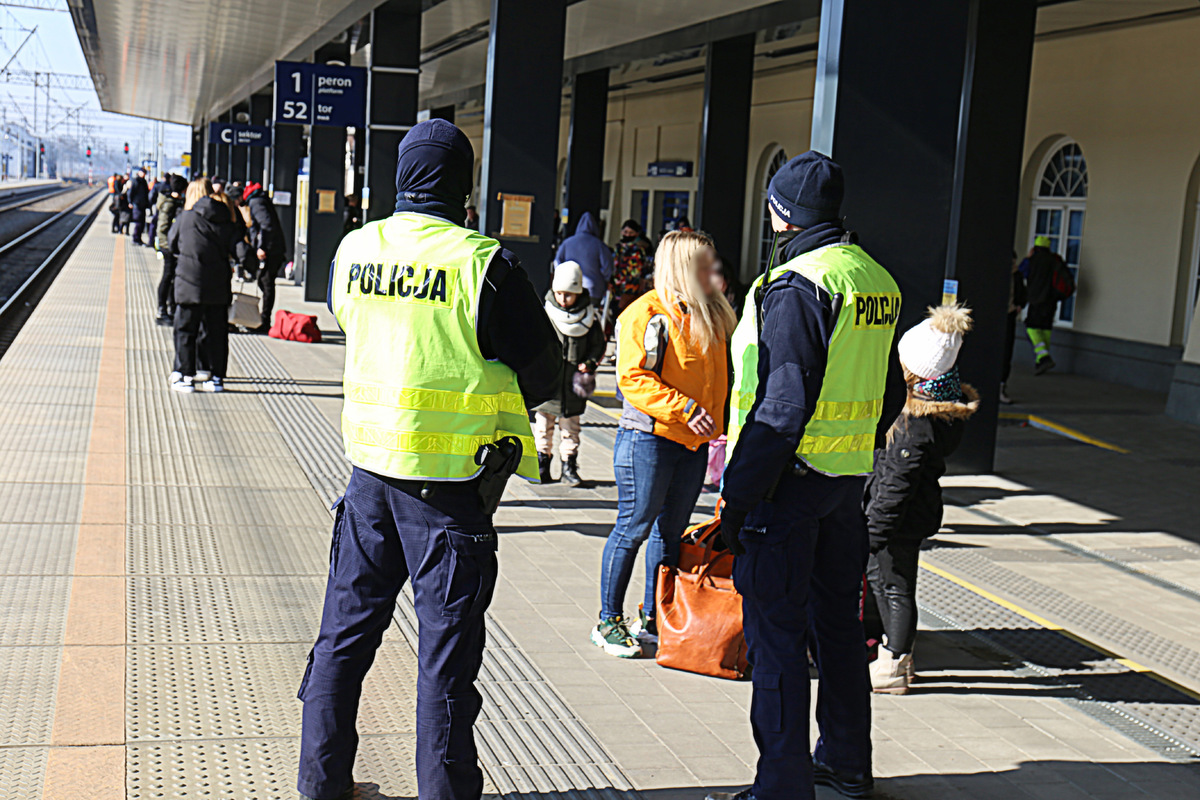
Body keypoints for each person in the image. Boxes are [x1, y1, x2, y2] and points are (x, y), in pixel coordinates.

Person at [297, 119, 561, 800]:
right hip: (449, 497)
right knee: (444, 667)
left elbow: (351, 322)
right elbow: (543, 371)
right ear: (464, 186)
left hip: (366, 481)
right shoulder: (484, 263)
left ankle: (320, 785)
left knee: (342, 644)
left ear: (401, 178)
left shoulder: (356, 250)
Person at [711, 152, 901, 800]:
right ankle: (846, 763)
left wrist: (736, 500)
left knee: (778, 642)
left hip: (784, 489)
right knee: (839, 630)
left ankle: (782, 787)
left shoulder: (796, 285)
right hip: (844, 485)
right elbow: (892, 393)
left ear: (780, 213)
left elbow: (781, 407)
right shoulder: (874, 279)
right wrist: (853, 447)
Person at [593, 230, 736, 658]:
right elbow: (632, 379)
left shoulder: (709, 312)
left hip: (690, 443)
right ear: (684, 266)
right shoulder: (646, 313)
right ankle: (608, 620)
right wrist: (688, 410)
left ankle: (654, 615)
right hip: (649, 438)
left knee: (670, 532)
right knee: (633, 528)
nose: (715, 271)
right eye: (705, 264)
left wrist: (716, 423)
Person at [866, 304, 978, 696]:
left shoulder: (913, 425)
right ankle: (893, 654)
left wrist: (872, 532)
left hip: (899, 521)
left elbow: (895, 487)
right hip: (910, 515)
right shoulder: (935, 407)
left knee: (894, 586)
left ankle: (895, 662)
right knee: (889, 582)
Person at [533, 260, 606, 486]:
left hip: (573, 386)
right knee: (543, 427)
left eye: (569, 295)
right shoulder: (546, 314)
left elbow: (598, 344)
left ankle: (569, 467)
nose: (563, 299)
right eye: (560, 294)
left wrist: (590, 362)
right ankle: (541, 466)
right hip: (549, 384)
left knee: (571, 429)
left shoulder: (589, 317)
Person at [167, 178, 234, 394]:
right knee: (216, 333)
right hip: (217, 285)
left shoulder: (185, 218)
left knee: (186, 330)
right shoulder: (225, 217)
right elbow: (237, 244)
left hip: (189, 284)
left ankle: (185, 376)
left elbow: (172, 243)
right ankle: (215, 378)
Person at [242, 181, 286, 331]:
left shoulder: (256, 202)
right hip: (274, 248)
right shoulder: (260, 200)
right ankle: (264, 318)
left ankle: (264, 321)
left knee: (266, 282)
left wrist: (261, 247)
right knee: (264, 281)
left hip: (271, 250)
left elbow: (266, 225)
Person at [1018, 235, 1064, 374]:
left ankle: (1043, 356)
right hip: (1051, 301)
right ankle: (1040, 361)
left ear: (1035, 248)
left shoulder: (1033, 260)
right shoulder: (1055, 260)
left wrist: (1028, 257)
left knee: (1032, 327)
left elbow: (1021, 271)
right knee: (1045, 329)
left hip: (1036, 300)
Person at [555, 211, 612, 308]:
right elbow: (607, 267)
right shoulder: (599, 245)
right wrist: (605, 280)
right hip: (593, 289)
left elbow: (557, 262)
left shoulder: (567, 243)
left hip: (570, 289)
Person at [154, 174, 187, 326]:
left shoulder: (174, 202)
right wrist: (168, 247)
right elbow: (162, 228)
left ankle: (171, 308)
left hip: (173, 247)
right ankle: (162, 310)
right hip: (169, 248)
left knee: (172, 277)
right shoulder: (169, 204)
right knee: (167, 277)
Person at [1001, 250, 1028, 404]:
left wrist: (1019, 305)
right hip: (999, 316)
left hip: (1010, 314)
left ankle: (1001, 385)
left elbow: (1023, 293)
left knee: (1007, 350)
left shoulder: (1016, 276)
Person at [610, 219, 653, 315]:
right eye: (625, 232)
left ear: (636, 234)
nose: (628, 235)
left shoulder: (639, 250)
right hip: (616, 287)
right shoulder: (618, 248)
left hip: (631, 288)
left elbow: (641, 271)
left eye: (631, 232)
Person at [127, 168, 152, 246]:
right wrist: (130, 202)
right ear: (139, 173)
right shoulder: (135, 181)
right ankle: (135, 238)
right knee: (138, 222)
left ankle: (139, 238)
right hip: (137, 204)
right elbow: (131, 192)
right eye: (143, 172)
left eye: (145, 173)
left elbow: (146, 193)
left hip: (143, 205)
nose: (144, 174)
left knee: (142, 222)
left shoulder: (144, 182)